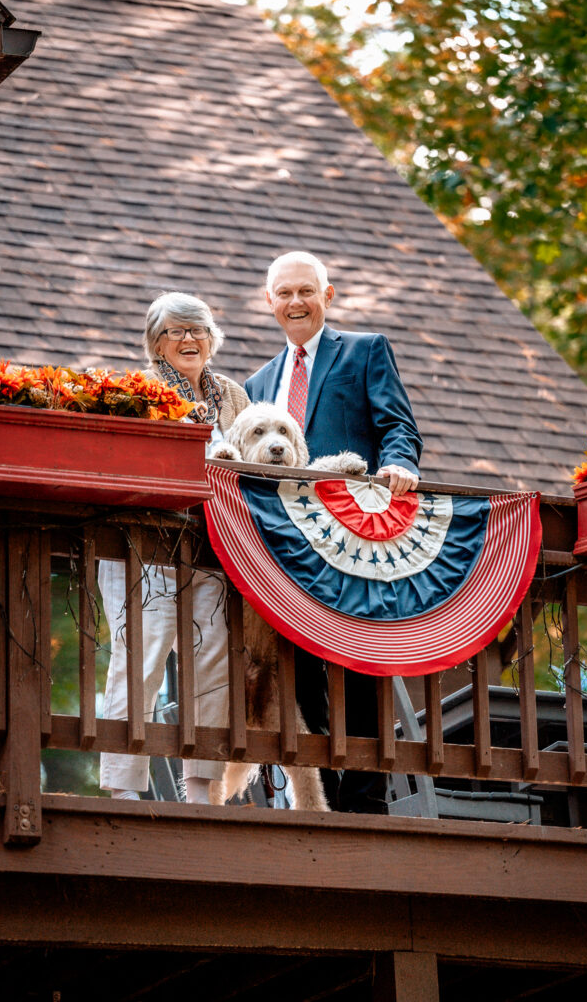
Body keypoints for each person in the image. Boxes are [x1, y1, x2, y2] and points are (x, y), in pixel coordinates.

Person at [245, 252, 423, 813]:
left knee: (361, 662)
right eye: (284, 294)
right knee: (301, 674)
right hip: (290, 548)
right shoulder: (258, 383)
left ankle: (366, 802)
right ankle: (323, 799)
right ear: (268, 301)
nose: (296, 302)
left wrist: (400, 466)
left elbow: (398, 426)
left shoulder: (366, 350)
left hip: (356, 541)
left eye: (306, 291)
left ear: (328, 294)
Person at [100, 292, 249, 804]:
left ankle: (201, 788)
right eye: (176, 331)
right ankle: (123, 789)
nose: (189, 339)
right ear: (156, 343)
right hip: (143, 547)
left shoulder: (233, 395)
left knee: (213, 663)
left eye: (198, 330)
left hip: (212, 549)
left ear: (213, 339)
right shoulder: (137, 393)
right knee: (138, 658)